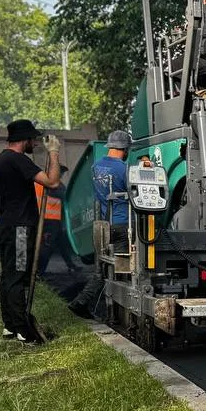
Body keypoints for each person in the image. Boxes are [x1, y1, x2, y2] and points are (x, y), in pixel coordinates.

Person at [0, 120, 61, 343]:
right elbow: (52, 182)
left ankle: (10, 326)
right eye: (33, 139)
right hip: (20, 230)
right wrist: (54, 152)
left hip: (6, 226)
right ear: (25, 139)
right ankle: (23, 331)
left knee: (9, 275)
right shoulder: (18, 160)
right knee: (18, 276)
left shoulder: (0, 160)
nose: (35, 143)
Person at [68, 130, 131, 318]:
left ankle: (80, 302)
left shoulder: (96, 167)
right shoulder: (125, 169)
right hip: (122, 225)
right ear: (124, 148)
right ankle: (122, 314)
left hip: (103, 226)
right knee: (123, 270)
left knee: (101, 269)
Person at [37, 166, 82, 274]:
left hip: (54, 220)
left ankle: (71, 265)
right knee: (47, 247)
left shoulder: (48, 182)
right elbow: (64, 195)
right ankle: (39, 271)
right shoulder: (52, 183)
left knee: (62, 244)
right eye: (60, 172)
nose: (61, 175)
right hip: (48, 221)